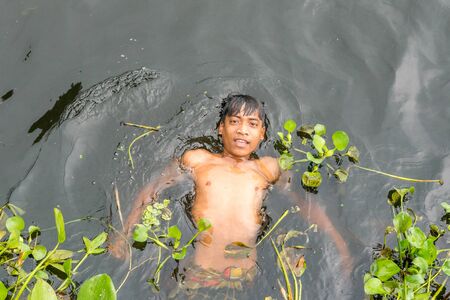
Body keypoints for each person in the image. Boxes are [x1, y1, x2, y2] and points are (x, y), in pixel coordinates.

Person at [110, 94, 352, 290]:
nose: (242, 130)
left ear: (262, 135)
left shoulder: (269, 169)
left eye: (252, 124)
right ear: (220, 128)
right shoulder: (197, 161)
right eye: (234, 121)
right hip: (196, 276)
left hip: (245, 281)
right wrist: (123, 232)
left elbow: (307, 207)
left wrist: (341, 248)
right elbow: (151, 191)